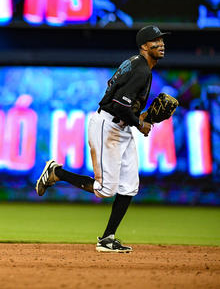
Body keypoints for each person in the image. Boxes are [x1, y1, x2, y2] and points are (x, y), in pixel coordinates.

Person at [36, 25, 169, 253]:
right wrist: (140, 123)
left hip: (120, 126)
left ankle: (108, 238)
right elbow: (119, 104)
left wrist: (140, 118)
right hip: (108, 127)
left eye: (162, 40)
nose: (162, 44)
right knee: (105, 190)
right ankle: (57, 172)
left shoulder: (136, 63)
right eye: (156, 40)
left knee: (129, 187)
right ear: (145, 46)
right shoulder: (141, 69)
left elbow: (115, 91)